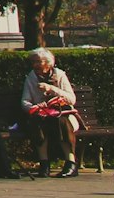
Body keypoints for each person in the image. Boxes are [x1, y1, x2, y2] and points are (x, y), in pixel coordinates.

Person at [21, 48, 81, 176]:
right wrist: (36, 107)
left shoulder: (59, 75)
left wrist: (52, 89)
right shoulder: (31, 78)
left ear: (48, 63)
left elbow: (71, 99)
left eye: (38, 61)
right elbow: (25, 102)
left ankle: (70, 163)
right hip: (42, 114)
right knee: (36, 122)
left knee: (62, 121)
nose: (35, 65)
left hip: (61, 113)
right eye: (33, 62)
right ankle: (44, 164)